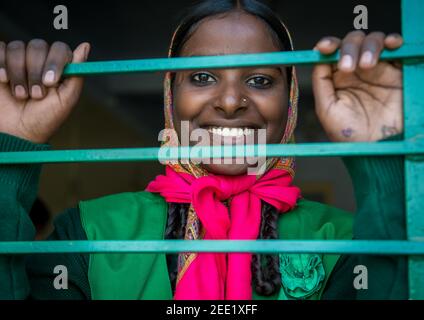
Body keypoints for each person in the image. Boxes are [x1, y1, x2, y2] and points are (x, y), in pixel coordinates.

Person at [0, 0, 406, 300]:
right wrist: (10, 148)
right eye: (203, 76)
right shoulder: (91, 233)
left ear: (291, 102)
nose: (231, 102)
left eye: (261, 80)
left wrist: (379, 157)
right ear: (170, 97)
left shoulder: (345, 241)